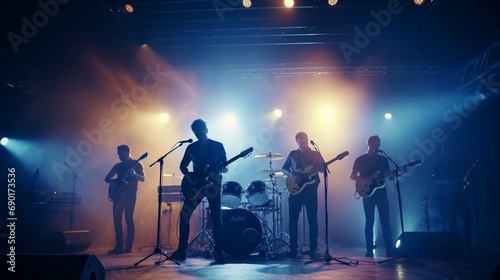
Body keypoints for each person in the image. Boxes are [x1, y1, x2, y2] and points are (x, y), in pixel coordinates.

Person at [171, 119, 228, 264]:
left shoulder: (217, 146)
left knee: (216, 218)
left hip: (213, 186)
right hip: (196, 187)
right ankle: (181, 250)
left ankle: (219, 252)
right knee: (184, 215)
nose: (199, 135)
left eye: (201, 132)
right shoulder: (191, 148)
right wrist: (190, 177)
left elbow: (225, 166)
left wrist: (222, 168)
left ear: (206, 130)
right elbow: (183, 166)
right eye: (196, 133)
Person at [350, 135, 395, 257]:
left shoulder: (383, 160)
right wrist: (364, 179)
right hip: (367, 193)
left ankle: (389, 250)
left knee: (385, 221)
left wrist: (399, 173)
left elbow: (390, 176)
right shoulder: (360, 159)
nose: (377, 146)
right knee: (369, 221)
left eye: (379, 144)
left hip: (381, 192)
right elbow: (352, 176)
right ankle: (369, 250)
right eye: (375, 143)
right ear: (369, 144)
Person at [282, 132, 323, 259]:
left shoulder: (315, 154)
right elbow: (284, 168)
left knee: (312, 220)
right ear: (296, 142)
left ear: (307, 139)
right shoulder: (293, 154)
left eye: (304, 140)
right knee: (293, 221)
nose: (302, 142)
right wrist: (291, 174)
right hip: (295, 189)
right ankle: (293, 249)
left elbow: (321, 169)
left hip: (310, 190)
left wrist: (321, 167)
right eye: (299, 141)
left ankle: (313, 249)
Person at [105, 144, 145, 254]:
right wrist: (114, 183)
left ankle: (128, 247)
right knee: (116, 219)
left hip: (130, 195)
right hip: (118, 195)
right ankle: (118, 246)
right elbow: (107, 178)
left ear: (127, 152)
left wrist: (135, 174)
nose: (119, 157)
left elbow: (143, 178)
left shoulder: (137, 164)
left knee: (128, 218)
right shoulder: (118, 166)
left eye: (120, 154)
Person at [432, 144, 472, 251]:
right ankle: (455, 246)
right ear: (441, 153)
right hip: (447, 197)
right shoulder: (438, 166)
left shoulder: (457, 164)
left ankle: (467, 245)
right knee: (452, 222)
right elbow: (434, 181)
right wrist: (446, 182)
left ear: (451, 151)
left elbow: (464, 177)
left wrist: (465, 179)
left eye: (447, 150)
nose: (446, 153)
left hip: (459, 195)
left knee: (467, 220)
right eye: (444, 151)